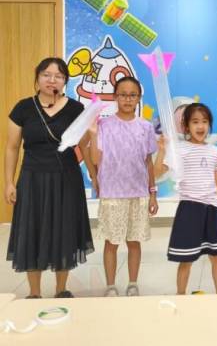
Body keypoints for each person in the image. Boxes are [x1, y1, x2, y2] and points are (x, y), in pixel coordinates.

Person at [4, 57, 94, 298]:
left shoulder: (76, 109)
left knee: (64, 231)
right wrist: (9, 182)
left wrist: (95, 176)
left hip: (67, 179)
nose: (52, 80)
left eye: (58, 76)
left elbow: (85, 147)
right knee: (31, 231)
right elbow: (12, 147)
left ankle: (61, 289)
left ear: (65, 81)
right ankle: (34, 293)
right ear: (37, 78)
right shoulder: (23, 108)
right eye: (46, 74)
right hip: (32, 178)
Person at [88, 76, 158, 297]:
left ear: (138, 98)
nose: (128, 99)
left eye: (132, 95)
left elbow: (148, 162)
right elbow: (95, 159)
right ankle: (110, 285)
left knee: (134, 241)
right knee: (112, 242)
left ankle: (132, 283)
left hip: (138, 194)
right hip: (112, 194)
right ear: (115, 97)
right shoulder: (104, 125)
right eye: (123, 95)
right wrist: (93, 134)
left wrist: (153, 193)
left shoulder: (145, 127)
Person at [155, 103, 217, 294]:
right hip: (190, 209)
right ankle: (180, 296)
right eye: (195, 122)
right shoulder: (179, 149)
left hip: (212, 209)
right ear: (186, 126)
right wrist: (162, 150)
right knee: (186, 259)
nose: (200, 126)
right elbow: (156, 173)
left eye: (204, 121)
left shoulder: (213, 151)